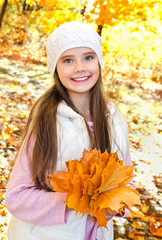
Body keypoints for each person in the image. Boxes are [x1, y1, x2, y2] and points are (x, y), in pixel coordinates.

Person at [5, 21, 133, 240]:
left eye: (88, 57)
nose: (80, 67)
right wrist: (73, 200)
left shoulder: (114, 119)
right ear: (55, 67)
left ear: (99, 61)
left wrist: (118, 205)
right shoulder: (47, 122)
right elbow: (16, 197)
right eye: (67, 60)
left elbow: (125, 181)